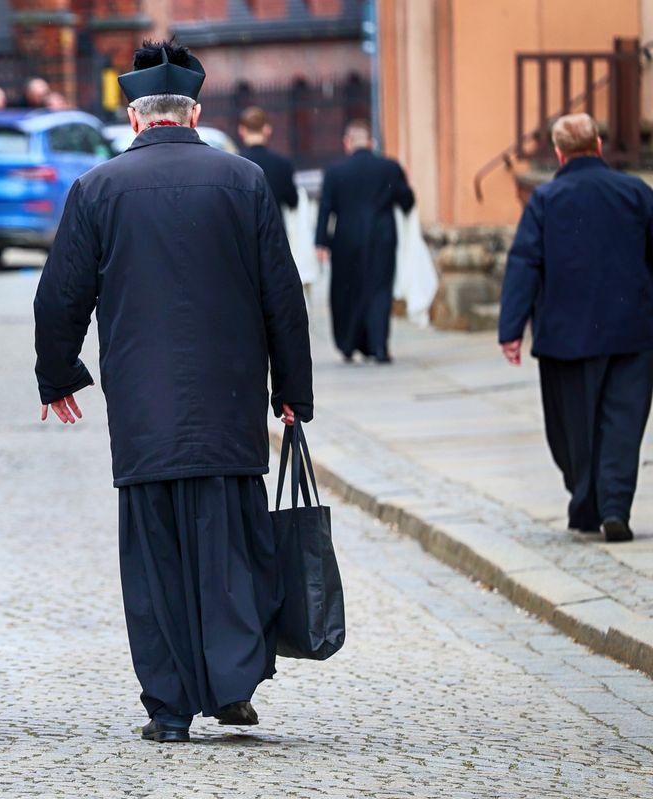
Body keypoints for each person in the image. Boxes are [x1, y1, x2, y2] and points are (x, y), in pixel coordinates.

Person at [34, 41, 313, 743]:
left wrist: (58, 373)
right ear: (194, 110)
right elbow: (283, 296)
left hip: (143, 411)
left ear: (134, 116)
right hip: (228, 402)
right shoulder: (244, 180)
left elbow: (60, 296)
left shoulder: (97, 189)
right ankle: (231, 685)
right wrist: (293, 390)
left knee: (154, 557)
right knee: (229, 550)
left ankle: (168, 704)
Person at [500, 113, 653, 543]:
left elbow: (524, 262)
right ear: (599, 147)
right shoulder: (636, 192)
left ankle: (588, 504)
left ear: (560, 152)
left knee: (572, 427)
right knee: (623, 424)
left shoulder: (546, 199)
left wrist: (511, 328)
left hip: (566, 337)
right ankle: (614, 505)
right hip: (632, 331)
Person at [315, 119, 415, 363]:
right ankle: (379, 346)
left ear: (347, 143)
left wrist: (321, 242)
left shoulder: (335, 171)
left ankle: (348, 344)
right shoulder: (390, 167)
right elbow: (407, 202)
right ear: (372, 142)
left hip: (346, 238)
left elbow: (325, 208)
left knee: (347, 291)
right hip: (382, 237)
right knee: (379, 290)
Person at [238, 106, 298, 212]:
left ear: (242, 130)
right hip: (275, 225)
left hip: (247, 227)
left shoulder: (236, 165)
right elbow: (293, 201)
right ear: (267, 129)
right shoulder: (282, 164)